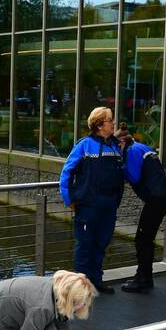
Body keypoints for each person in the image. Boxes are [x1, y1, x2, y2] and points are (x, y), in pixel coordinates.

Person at [59, 107, 124, 294]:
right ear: (99, 124)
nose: (113, 123)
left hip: (109, 203)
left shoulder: (114, 145)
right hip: (89, 204)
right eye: (110, 120)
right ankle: (81, 288)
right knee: (85, 245)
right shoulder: (84, 145)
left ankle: (96, 280)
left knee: (101, 243)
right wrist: (68, 199)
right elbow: (66, 173)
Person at [115, 126, 166, 292]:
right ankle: (144, 276)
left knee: (142, 239)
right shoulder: (143, 147)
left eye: (116, 148)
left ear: (122, 143)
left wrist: (119, 168)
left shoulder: (132, 151)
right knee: (146, 238)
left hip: (156, 198)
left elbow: (134, 176)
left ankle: (143, 279)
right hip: (163, 196)